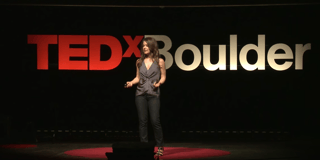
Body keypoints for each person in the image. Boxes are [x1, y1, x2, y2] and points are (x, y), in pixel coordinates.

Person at [125, 37, 166, 156]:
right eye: (143, 45)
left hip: (153, 94)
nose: (144, 47)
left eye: (147, 45)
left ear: (152, 46)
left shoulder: (160, 61)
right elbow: (137, 77)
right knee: (142, 121)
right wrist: (131, 83)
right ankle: (144, 147)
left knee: (155, 121)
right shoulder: (139, 61)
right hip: (140, 94)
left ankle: (160, 146)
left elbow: (163, 77)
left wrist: (159, 83)